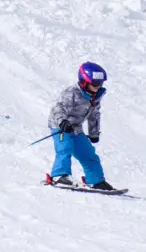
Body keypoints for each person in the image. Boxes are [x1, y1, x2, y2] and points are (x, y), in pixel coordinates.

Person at [46, 62, 117, 190]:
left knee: (89, 154)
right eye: (95, 84)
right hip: (60, 125)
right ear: (84, 82)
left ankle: (95, 181)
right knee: (65, 148)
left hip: (75, 129)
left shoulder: (95, 97)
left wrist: (94, 133)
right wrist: (62, 122)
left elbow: (94, 115)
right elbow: (58, 108)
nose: (98, 87)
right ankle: (59, 175)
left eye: (100, 84)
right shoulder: (72, 93)